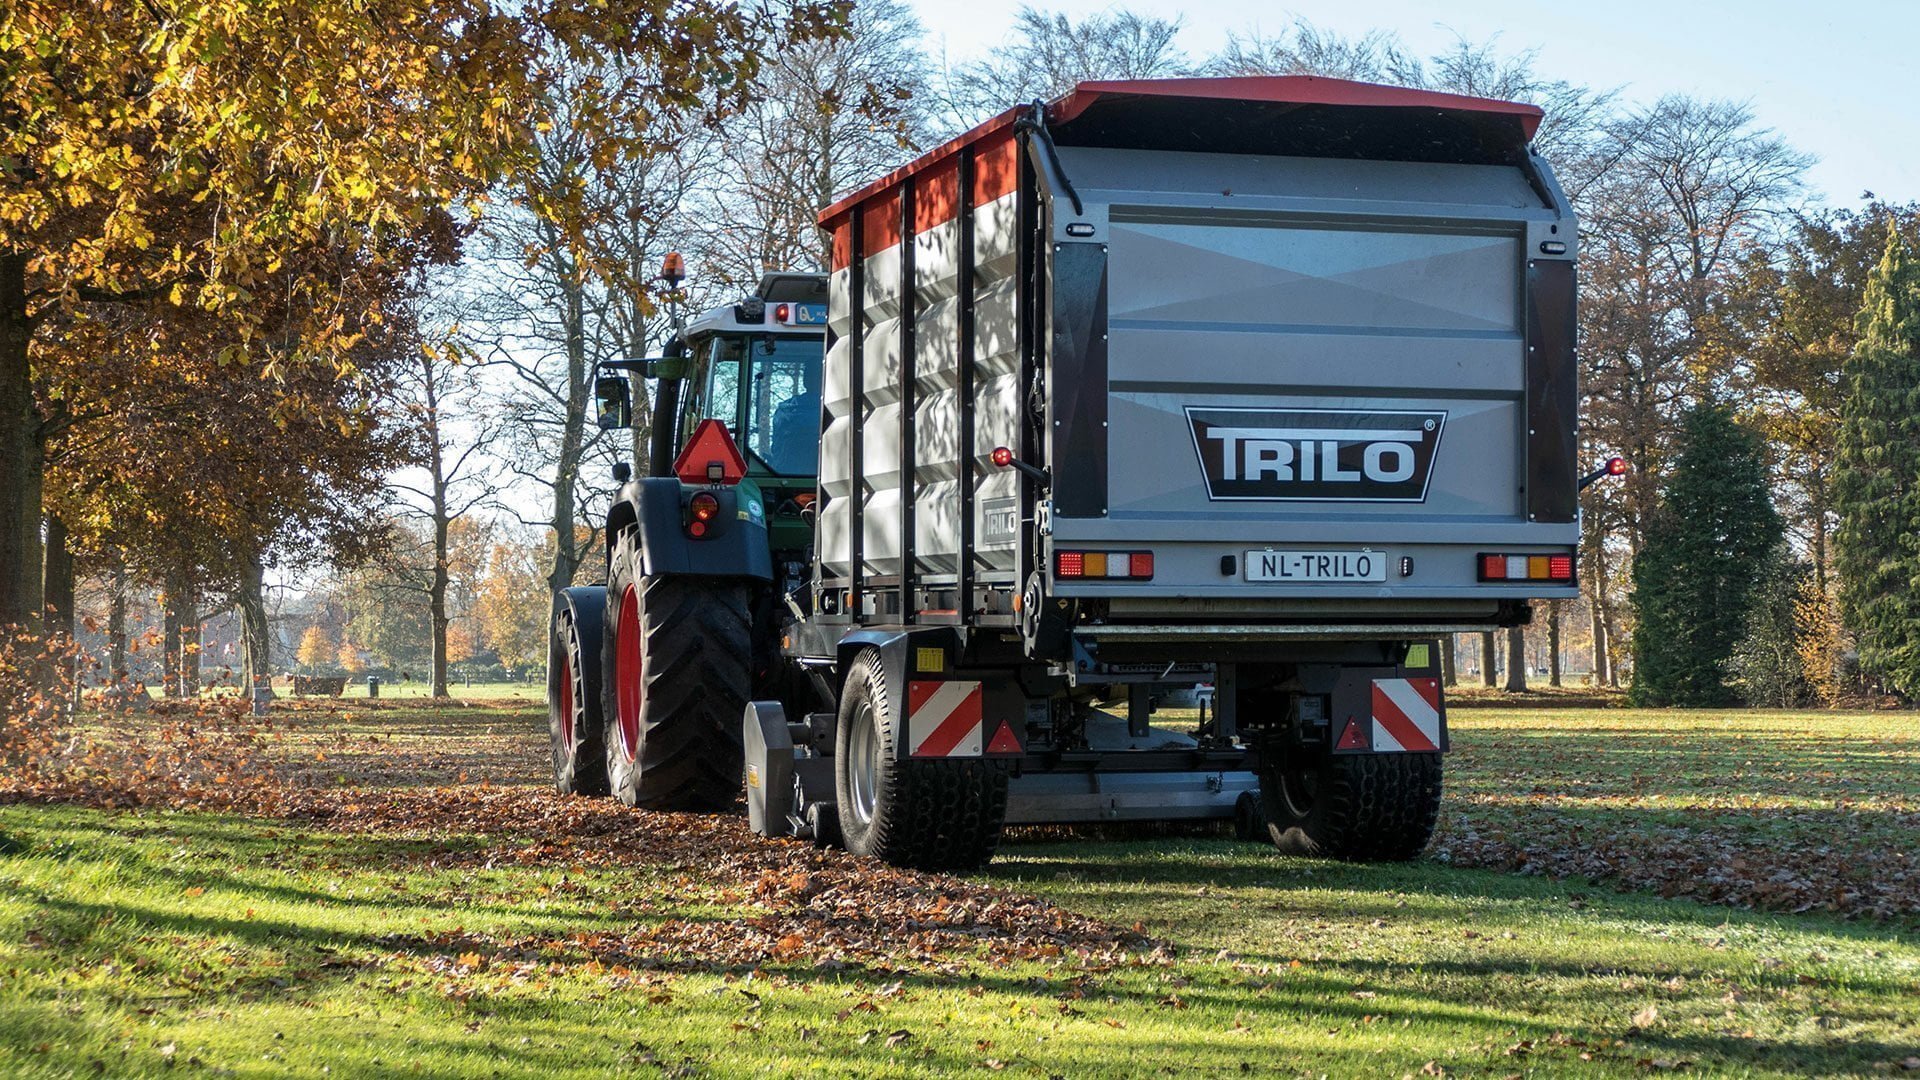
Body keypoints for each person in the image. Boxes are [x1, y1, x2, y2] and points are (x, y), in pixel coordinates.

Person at [767, 360, 821, 475]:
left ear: (805, 381)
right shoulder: (838, 412)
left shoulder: (784, 412)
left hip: (781, 477)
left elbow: (776, 448)